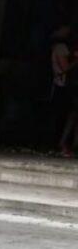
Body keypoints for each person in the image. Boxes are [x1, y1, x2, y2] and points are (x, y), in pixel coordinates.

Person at [50, 25, 78, 156]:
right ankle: (61, 144)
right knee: (65, 115)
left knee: (70, 115)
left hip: (63, 85)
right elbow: (65, 68)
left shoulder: (60, 47)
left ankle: (66, 144)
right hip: (63, 85)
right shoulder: (61, 48)